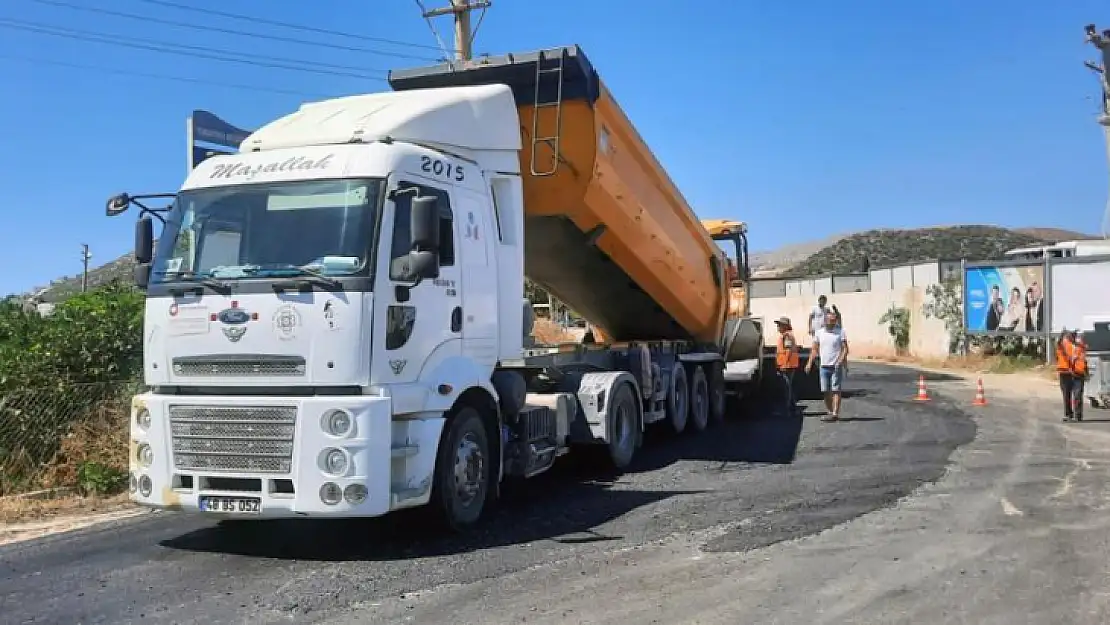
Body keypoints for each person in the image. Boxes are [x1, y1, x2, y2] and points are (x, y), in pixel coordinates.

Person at [805, 310, 849, 422]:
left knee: (836, 390)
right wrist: (809, 362)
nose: (833, 322)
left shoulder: (840, 332)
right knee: (825, 391)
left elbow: (845, 348)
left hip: (835, 366)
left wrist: (840, 361)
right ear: (825, 321)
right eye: (831, 320)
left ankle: (835, 413)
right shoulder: (819, 333)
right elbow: (814, 349)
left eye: (834, 320)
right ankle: (830, 411)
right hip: (823, 366)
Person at [1056, 329, 1089, 422]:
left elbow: (1084, 359)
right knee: (1067, 395)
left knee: (1077, 395)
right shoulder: (1062, 344)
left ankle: (1078, 415)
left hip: (1078, 373)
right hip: (1065, 373)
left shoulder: (1080, 346)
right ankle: (1068, 414)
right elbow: (1059, 348)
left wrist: (1086, 371)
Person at [773, 317, 800, 415]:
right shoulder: (786, 336)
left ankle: (787, 409)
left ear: (785, 326)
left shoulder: (787, 336)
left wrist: (784, 365)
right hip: (787, 365)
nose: (778, 327)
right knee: (788, 387)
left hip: (787, 366)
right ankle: (792, 409)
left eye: (779, 325)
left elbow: (788, 350)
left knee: (787, 388)